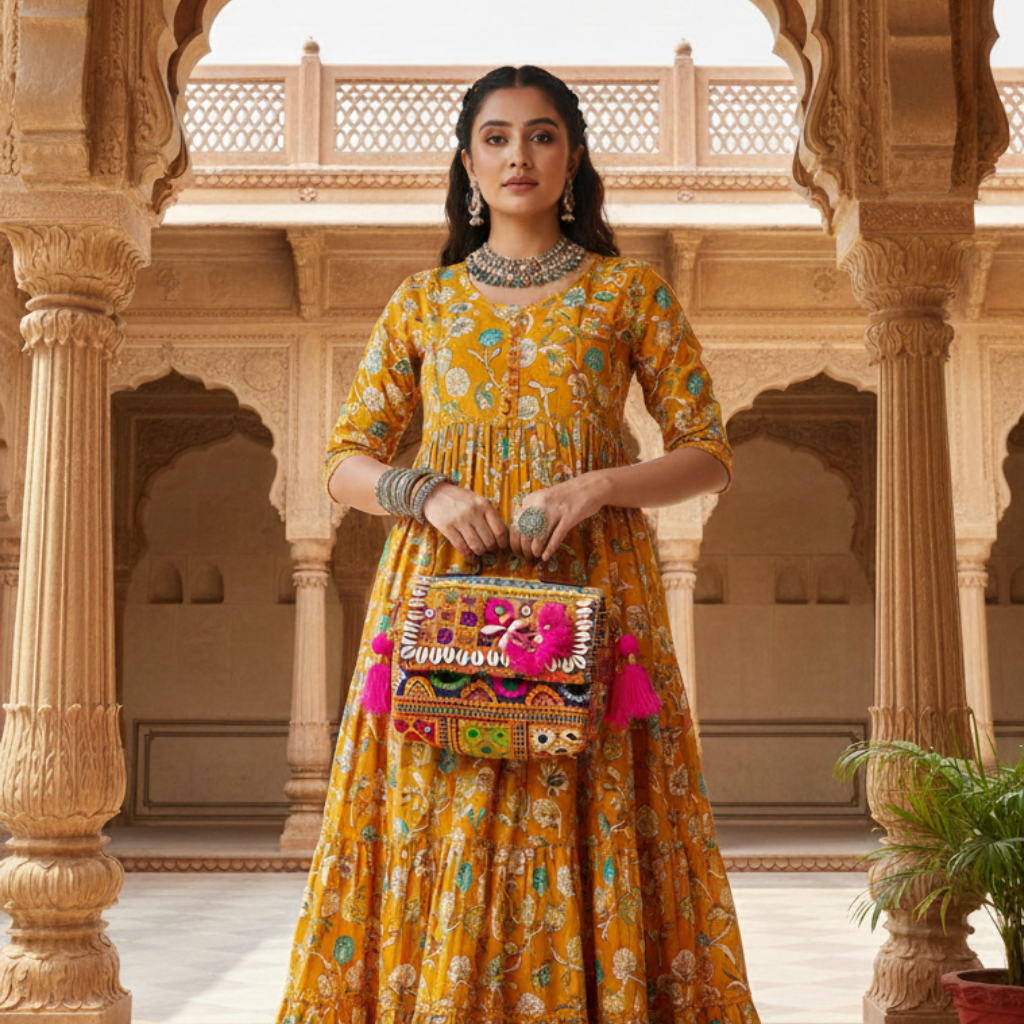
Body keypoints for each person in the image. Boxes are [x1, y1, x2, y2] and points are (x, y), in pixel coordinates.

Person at [277, 65, 760, 1024]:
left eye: (541, 136)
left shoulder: (631, 296)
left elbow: (709, 456)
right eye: (495, 138)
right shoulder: (424, 303)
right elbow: (343, 461)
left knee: (586, 809)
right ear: (467, 163)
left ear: (572, 157)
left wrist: (597, 487)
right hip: (445, 603)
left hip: (591, 598)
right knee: (438, 817)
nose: (518, 156)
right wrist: (426, 489)